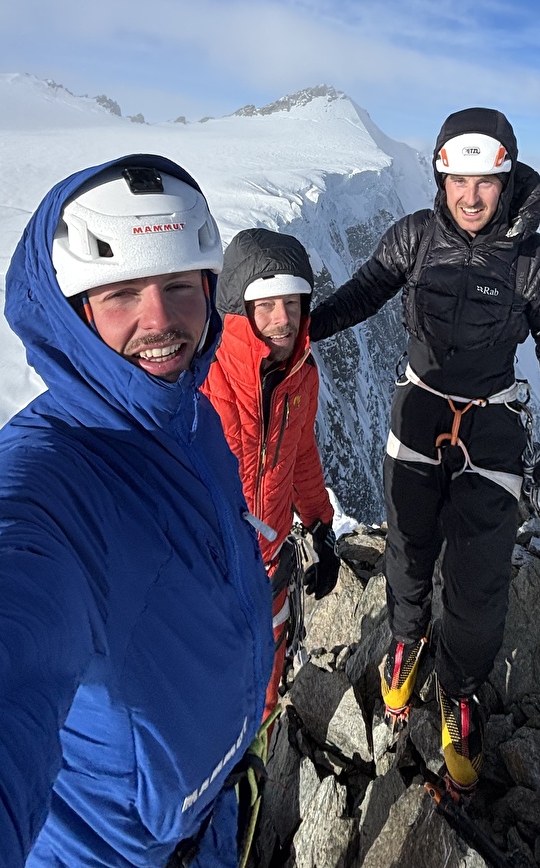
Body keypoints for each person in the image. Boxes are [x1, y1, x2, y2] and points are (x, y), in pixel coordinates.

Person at [0, 155, 273, 868]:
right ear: (72, 312)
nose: (160, 321)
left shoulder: (188, 418)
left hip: (209, 824)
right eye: (120, 292)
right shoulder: (43, 485)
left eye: (180, 287)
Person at [310, 108, 540, 791]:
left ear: (507, 177)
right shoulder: (413, 237)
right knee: (407, 549)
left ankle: (459, 690)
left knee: (478, 575)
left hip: (490, 426)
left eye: (484, 180)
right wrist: (297, 332)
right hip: (418, 414)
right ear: (439, 174)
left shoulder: (535, 261)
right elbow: (364, 293)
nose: (469, 195)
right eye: (456, 178)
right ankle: (406, 643)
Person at [204, 229, 340, 718]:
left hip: (271, 562)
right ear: (241, 314)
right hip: (209, 570)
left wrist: (322, 526)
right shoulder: (203, 380)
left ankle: (256, 760)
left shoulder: (301, 375)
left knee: (266, 665)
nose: (282, 320)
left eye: (292, 303)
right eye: (266, 305)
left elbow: (301, 453)